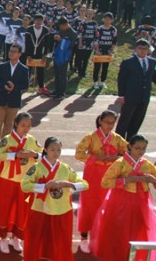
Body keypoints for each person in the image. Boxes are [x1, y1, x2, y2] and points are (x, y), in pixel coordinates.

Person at [90, 134, 156, 261]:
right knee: (120, 231)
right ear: (129, 147)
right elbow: (105, 182)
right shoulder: (120, 163)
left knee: (140, 230)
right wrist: (127, 180)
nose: (141, 151)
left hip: (141, 203)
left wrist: (153, 180)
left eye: (143, 148)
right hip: (121, 201)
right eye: (137, 148)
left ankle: (137, 257)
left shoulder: (147, 164)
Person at [21, 137, 88, 261]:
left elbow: (85, 184)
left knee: (60, 243)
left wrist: (66, 184)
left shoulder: (65, 168)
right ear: (45, 149)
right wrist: (44, 186)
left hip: (61, 211)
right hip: (40, 210)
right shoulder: (37, 167)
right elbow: (24, 185)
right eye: (52, 149)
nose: (56, 153)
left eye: (58, 150)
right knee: (37, 240)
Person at [74, 110, 127, 253]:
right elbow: (79, 154)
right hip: (92, 173)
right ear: (100, 121)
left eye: (112, 123)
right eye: (107, 122)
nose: (110, 125)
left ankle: (100, 234)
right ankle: (84, 237)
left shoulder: (117, 138)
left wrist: (115, 157)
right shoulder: (90, 137)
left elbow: (128, 153)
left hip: (109, 173)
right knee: (89, 202)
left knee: (107, 203)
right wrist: (95, 159)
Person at [0, 112, 40, 254]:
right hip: (7, 180)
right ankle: (3, 238)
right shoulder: (7, 140)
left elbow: (42, 154)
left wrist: (35, 154)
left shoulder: (31, 140)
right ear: (15, 124)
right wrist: (14, 155)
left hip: (25, 181)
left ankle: (16, 237)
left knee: (23, 209)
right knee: (5, 208)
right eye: (23, 125)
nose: (25, 129)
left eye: (29, 126)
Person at [0, 44, 29, 152]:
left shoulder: (24, 69)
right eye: (10, 51)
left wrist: (14, 87)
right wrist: (4, 86)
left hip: (14, 100)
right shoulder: (2, 66)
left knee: (9, 124)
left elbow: (25, 85)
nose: (11, 53)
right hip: (1, 98)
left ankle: (4, 144)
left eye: (14, 51)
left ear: (20, 54)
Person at [116, 39, 156, 139]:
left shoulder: (152, 62)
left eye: (145, 49)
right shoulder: (128, 62)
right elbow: (121, 79)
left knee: (137, 122)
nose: (142, 51)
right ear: (135, 49)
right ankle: (118, 145)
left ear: (148, 50)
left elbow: (153, 77)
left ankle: (131, 144)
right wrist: (121, 95)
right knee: (124, 122)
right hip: (130, 97)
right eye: (140, 48)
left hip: (144, 97)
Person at [50, 17, 77, 99]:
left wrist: (61, 40)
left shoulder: (72, 33)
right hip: (58, 54)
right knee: (57, 73)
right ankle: (57, 90)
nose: (60, 28)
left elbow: (71, 44)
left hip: (65, 56)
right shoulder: (61, 31)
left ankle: (61, 92)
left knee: (62, 74)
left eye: (61, 26)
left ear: (66, 24)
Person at [25, 14, 51, 95]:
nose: (38, 22)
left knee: (40, 71)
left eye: (40, 20)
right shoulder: (29, 29)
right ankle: (25, 85)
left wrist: (45, 55)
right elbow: (27, 43)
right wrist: (28, 54)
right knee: (28, 70)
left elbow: (47, 44)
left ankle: (41, 87)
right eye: (37, 20)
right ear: (34, 20)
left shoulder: (45, 30)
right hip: (30, 53)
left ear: (43, 21)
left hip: (40, 53)